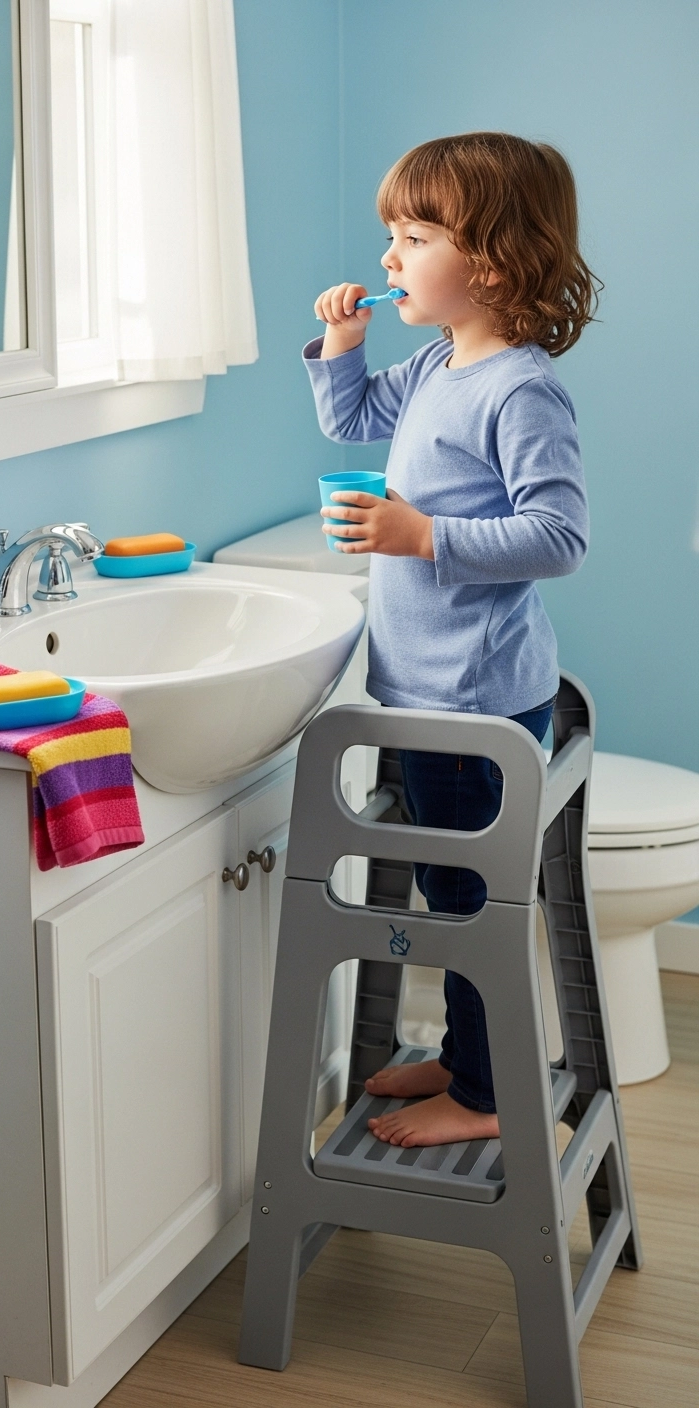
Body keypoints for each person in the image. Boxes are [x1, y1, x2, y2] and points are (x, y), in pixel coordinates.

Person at [303, 132, 596, 1148]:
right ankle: (473, 1059)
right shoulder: (437, 359)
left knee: (470, 905)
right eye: (391, 235)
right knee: (449, 892)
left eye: (415, 237)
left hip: (474, 702)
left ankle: (487, 1094)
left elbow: (559, 536)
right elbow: (352, 424)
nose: (389, 257)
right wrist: (344, 344)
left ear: (495, 265)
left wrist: (421, 534)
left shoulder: (520, 390)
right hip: (426, 691)